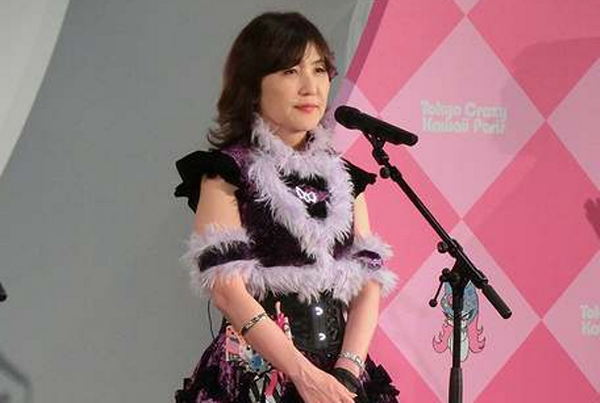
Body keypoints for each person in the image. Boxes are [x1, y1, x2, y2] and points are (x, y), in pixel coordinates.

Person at [173, 11, 400, 403]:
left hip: (339, 378)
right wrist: (303, 375)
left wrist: (346, 373)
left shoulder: (345, 178)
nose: (310, 87)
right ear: (253, 85)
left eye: (319, 69)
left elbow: (368, 283)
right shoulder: (226, 172)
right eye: (291, 71)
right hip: (256, 377)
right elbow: (226, 290)